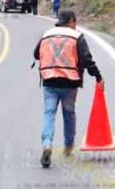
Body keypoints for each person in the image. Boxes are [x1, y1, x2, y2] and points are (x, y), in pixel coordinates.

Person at [33, 10, 102, 168]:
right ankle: (68, 146)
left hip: (49, 80)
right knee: (69, 113)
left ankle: (47, 144)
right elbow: (86, 60)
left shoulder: (47, 34)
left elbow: (36, 54)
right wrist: (98, 77)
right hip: (70, 82)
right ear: (71, 21)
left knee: (49, 113)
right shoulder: (77, 36)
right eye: (75, 22)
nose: (75, 25)